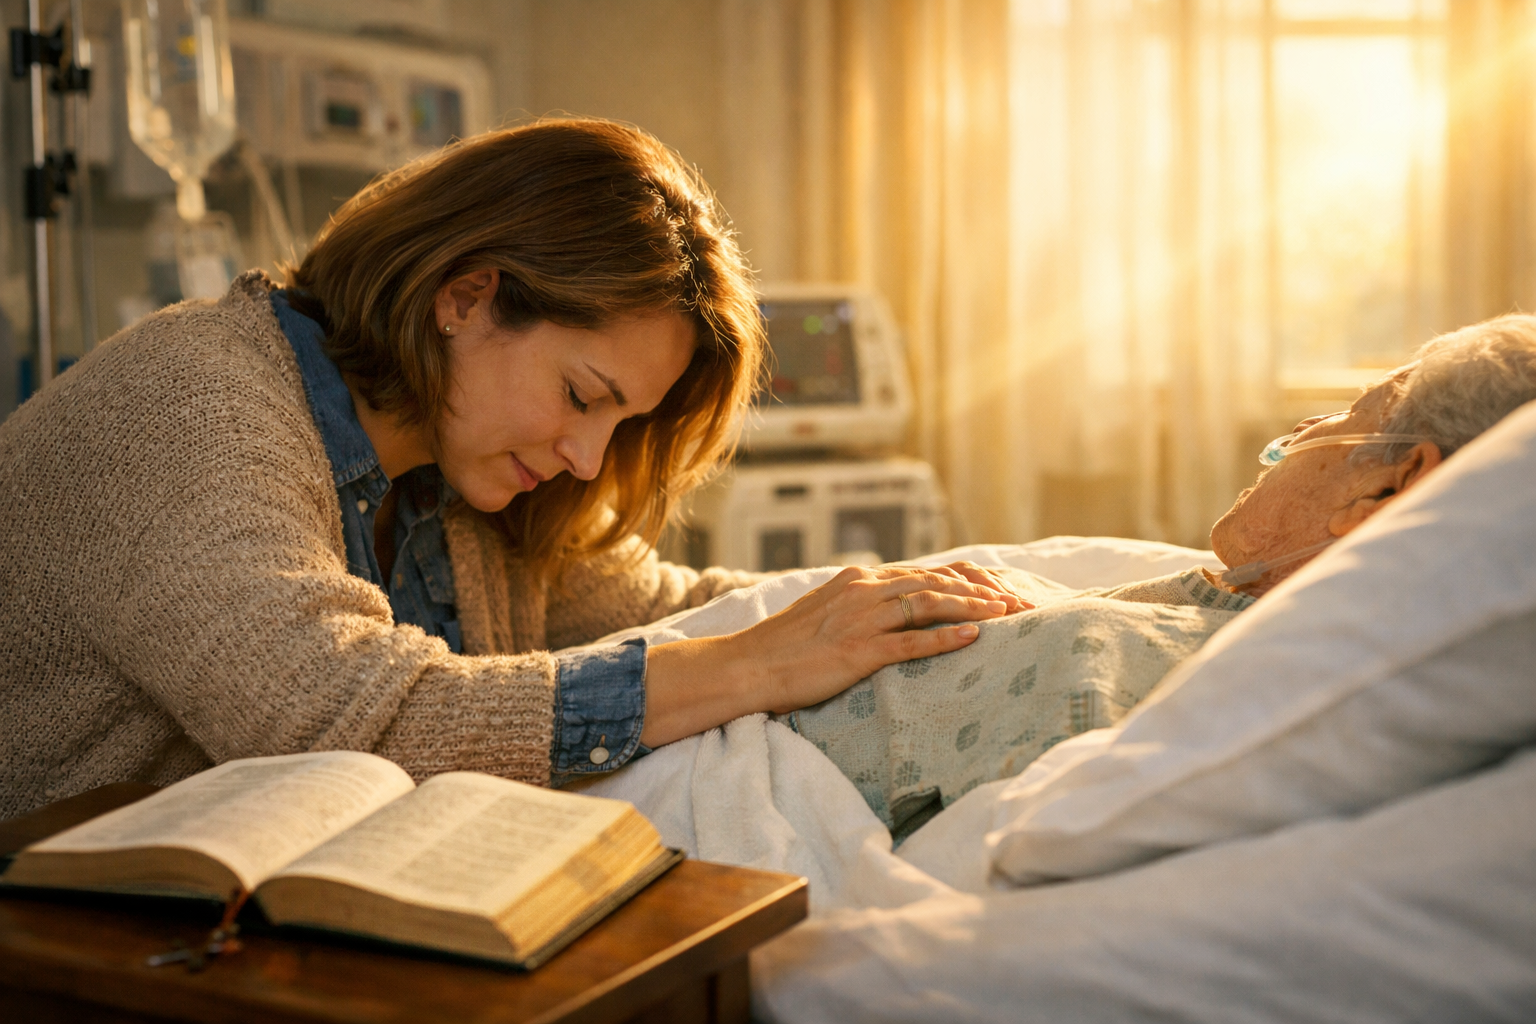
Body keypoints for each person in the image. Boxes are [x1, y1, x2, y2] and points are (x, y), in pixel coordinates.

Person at [0, 119, 1029, 819]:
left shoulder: (461, 481)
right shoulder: (193, 407)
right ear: (466, 297)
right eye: (584, 397)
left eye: (621, 425)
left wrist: (930, 609)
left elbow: (673, 606)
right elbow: (342, 719)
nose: (589, 457)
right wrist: (763, 662)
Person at [781, 314, 1536, 837]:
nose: (1306, 431)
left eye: (1348, 412)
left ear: (1382, 496)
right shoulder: (1219, 610)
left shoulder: (1110, 669)